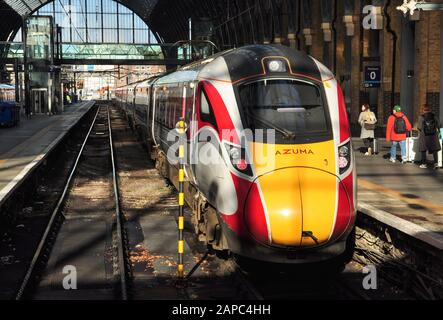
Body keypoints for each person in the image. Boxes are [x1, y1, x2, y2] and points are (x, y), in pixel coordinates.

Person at [417, 105, 441, 170]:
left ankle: (424, 164)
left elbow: (419, 127)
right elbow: (439, 124)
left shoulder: (421, 117)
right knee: (434, 150)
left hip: (424, 136)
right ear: (429, 109)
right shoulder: (434, 116)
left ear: (423, 110)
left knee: (423, 150)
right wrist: (438, 131)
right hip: (433, 136)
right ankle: (435, 163)